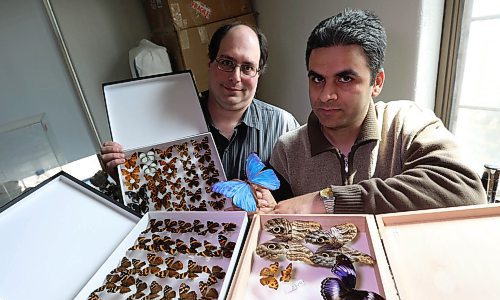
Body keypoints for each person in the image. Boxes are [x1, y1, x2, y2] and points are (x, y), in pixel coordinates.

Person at [258, 8, 486, 214]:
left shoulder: (406, 124)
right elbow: (273, 213)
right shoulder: (288, 149)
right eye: (317, 79)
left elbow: (466, 189)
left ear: (377, 82)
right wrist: (260, 203)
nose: (326, 95)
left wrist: (330, 200)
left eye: (345, 78)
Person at [100, 22, 299, 181]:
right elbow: (151, 191)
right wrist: (122, 174)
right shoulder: (167, 120)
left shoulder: (283, 125)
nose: (236, 77)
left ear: (258, 75)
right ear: (210, 64)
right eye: (227, 63)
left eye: (247, 67)